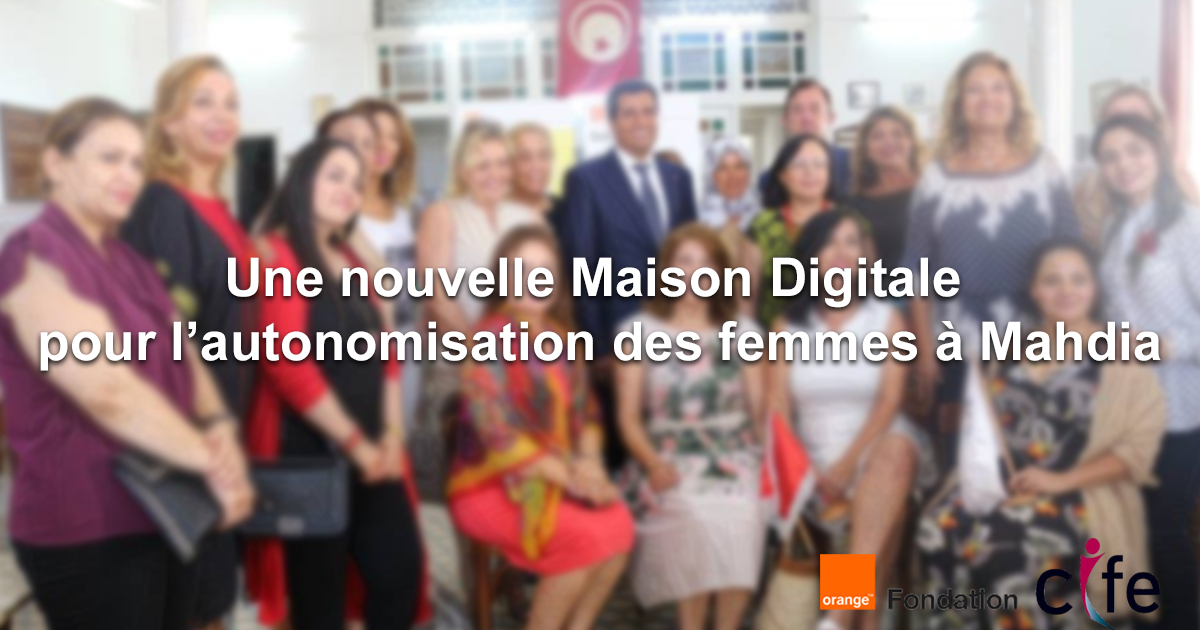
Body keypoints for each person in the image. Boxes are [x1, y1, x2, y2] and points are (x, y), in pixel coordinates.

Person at [0, 97, 253, 630]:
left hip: (164, 506)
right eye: (109, 157)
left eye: (136, 162)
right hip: (88, 525)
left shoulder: (128, 261)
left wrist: (218, 426)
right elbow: (106, 390)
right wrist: (212, 463)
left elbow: (184, 353)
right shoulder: (33, 254)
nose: (128, 175)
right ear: (56, 164)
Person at [919, 239, 1166, 628]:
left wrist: (1057, 480)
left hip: (1074, 491)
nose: (1066, 290)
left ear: (1095, 287)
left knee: (991, 544)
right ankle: (847, 612)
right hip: (856, 469)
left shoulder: (1123, 353)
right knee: (919, 528)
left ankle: (845, 611)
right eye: (1052, 280)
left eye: (1078, 279)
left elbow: (1138, 448)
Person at [243, 138, 424, 630]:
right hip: (309, 452)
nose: (348, 189)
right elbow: (286, 364)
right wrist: (356, 445)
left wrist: (391, 435)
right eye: (335, 175)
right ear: (304, 180)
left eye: (357, 182)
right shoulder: (273, 253)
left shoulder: (352, 256)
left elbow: (386, 354)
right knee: (319, 604)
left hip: (373, 449)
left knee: (399, 575)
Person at [120, 54, 253, 630]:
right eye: (203, 102)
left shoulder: (218, 208)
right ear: (170, 122)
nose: (222, 115)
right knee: (192, 600)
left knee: (211, 596)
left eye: (231, 103)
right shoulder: (161, 206)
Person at [448, 225, 634, 630]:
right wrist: (574, 480)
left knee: (619, 524)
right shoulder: (485, 339)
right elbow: (498, 436)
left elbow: (587, 416)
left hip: (556, 477)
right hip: (491, 485)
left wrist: (590, 465)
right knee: (585, 539)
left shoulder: (565, 339)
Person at [772, 210, 926, 630]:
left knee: (893, 456)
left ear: (864, 255)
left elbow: (890, 402)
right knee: (887, 513)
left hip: (877, 439)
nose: (841, 251)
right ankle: (867, 621)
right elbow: (778, 405)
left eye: (851, 241)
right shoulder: (786, 326)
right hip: (812, 454)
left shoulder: (888, 319)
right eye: (829, 241)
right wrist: (804, 466)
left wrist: (847, 463)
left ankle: (839, 615)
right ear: (811, 254)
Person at [905, 51, 1079, 419]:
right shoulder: (936, 177)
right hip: (956, 344)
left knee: (1035, 445)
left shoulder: (1044, 167)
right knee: (962, 448)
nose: (988, 99)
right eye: (975, 90)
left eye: (998, 88)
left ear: (1014, 99)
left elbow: (1074, 256)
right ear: (959, 104)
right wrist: (923, 350)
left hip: (1036, 341)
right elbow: (916, 271)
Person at [615, 224, 766, 630]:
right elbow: (628, 418)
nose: (695, 272)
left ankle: (849, 617)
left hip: (767, 454)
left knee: (748, 515)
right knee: (701, 517)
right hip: (673, 454)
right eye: (685, 261)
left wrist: (781, 462)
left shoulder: (882, 320)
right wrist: (652, 462)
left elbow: (763, 413)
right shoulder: (639, 332)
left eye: (706, 262)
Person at [1093, 114, 1200, 629]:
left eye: (1134, 150)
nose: (1124, 164)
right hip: (1128, 409)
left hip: (1180, 409)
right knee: (1129, 535)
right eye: (1110, 157)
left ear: (1157, 152)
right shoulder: (1115, 228)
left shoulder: (1188, 226)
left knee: (1164, 532)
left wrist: (1165, 345)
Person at [560, 79, 698, 356]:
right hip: (618, 335)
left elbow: (694, 257)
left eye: (648, 111)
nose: (640, 121)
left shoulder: (679, 178)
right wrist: (596, 347)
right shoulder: (587, 180)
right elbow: (582, 270)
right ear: (612, 123)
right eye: (629, 113)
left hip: (679, 329)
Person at [1075, 84, 1200, 249]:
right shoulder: (1085, 192)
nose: (1125, 128)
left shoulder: (1184, 185)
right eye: (1115, 120)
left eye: (1136, 119)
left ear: (1158, 128)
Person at [743, 134, 843, 327]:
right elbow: (745, 298)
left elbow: (867, 295)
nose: (809, 172)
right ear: (783, 175)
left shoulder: (850, 223)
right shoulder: (762, 226)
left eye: (818, 164)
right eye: (799, 164)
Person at [848, 106, 923, 270]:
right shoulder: (855, 205)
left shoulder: (935, 189)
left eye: (897, 134)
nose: (888, 142)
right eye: (878, 136)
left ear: (912, 141)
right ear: (865, 149)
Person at [758, 78, 851, 199]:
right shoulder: (769, 180)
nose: (806, 117)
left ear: (831, 118)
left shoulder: (854, 166)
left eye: (815, 109)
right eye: (797, 110)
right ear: (785, 120)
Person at [698, 137, 759, 247]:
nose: (732, 176)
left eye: (739, 166)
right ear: (711, 176)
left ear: (748, 172)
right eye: (722, 168)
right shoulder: (698, 223)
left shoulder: (764, 218)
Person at [508, 122, 562, 229]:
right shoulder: (493, 215)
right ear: (509, 164)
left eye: (543, 156)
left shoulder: (568, 212)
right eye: (525, 157)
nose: (536, 166)